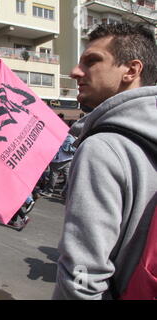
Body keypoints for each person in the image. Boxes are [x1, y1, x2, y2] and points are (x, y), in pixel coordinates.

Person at [53, 23, 157, 300]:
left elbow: (83, 277)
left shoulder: (103, 147)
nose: (75, 72)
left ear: (131, 70)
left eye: (92, 61)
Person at [40, 133, 76, 198]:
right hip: (68, 157)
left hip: (58, 159)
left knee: (53, 175)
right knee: (68, 175)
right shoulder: (69, 135)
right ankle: (68, 192)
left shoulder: (53, 135)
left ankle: (49, 191)